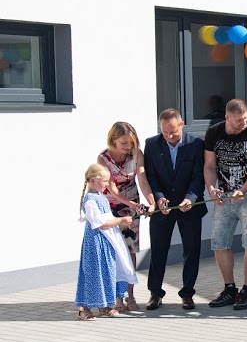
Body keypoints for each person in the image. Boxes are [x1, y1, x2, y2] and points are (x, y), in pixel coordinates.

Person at [204, 99, 247, 311]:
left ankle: (246, 291)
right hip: (223, 196)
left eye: (246, 118)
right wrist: (211, 188)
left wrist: (244, 190)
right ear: (227, 118)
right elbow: (209, 166)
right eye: (239, 120)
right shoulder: (214, 133)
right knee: (219, 242)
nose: (244, 123)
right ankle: (229, 288)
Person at [144, 109, 207, 311]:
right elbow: (151, 176)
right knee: (158, 251)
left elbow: (199, 176)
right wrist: (159, 197)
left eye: (173, 131)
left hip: (189, 207)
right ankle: (155, 293)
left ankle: (187, 294)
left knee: (191, 251)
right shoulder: (151, 144)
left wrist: (190, 198)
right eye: (165, 132)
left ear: (182, 125)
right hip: (162, 207)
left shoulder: (196, 144)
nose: (170, 136)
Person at [97, 121, 156, 312]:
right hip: (111, 207)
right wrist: (132, 204)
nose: (128, 146)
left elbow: (142, 180)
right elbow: (112, 189)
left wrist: (151, 201)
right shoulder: (103, 158)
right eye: (124, 143)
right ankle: (117, 297)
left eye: (131, 142)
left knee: (130, 249)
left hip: (132, 206)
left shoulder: (136, 153)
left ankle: (130, 295)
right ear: (113, 139)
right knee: (114, 251)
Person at [75, 164, 138, 320]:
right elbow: (99, 222)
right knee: (94, 272)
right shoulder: (90, 200)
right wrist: (121, 220)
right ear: (93, 180)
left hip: (107, 241)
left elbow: (108, 218)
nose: (107, 184)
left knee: (107, 271)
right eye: (104, 181)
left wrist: (123, 222)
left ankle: (104, 305)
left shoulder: (101, 197)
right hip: (96, 242)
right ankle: (84, 308)